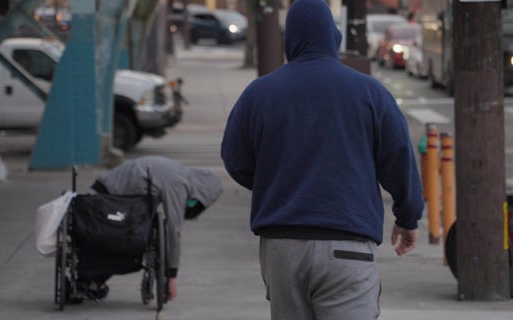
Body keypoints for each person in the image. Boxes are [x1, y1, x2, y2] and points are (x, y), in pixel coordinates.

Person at [220, 0, 424, 319]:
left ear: (291, 40)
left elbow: (235, 159)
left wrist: (274, 181)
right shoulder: (370, 93)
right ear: (334, 37)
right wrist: (408, 216)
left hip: (281, 246)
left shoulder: (259, 94)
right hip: (348, 244)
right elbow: (399, 159)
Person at [77, 156, 223, 301]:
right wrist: (172, 276)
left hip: (103, 193)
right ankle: (90, 280)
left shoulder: (177, 172)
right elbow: (174, 232)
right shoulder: (179, 184)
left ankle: (90, 280)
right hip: (107, 200)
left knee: (129, 238)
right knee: (132, 243)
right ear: (200, 195)